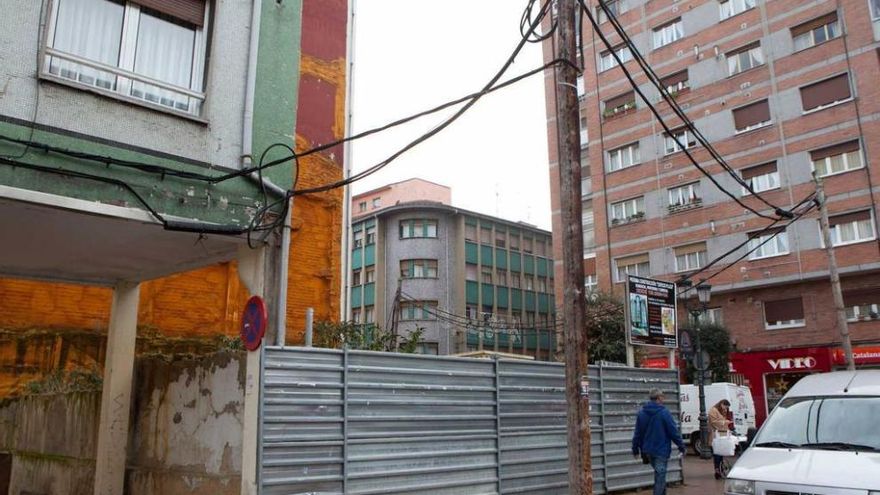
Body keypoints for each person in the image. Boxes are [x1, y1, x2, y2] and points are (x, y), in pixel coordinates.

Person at [632, 388, 686, 495]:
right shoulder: (664, 413)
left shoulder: (642, 413)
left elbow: (637, 433)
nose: (664, 399)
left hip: (647, 451)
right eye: (663, 397)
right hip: (661, 450)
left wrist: (635, 449)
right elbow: (673, 432)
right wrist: (681, 446)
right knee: (660, 477)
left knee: (660, 475)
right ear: (658, 398)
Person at [708, 399, 734, 479]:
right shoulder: (713, 410)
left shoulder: (722, 410)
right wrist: (725, 422)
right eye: (725, 407)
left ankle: (720, 468)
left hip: (722, 434)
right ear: (721, 404)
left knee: (721, 453)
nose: (725, 409)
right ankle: (717, 470)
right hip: (716, 435)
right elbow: (713, 422)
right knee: (717, 453)